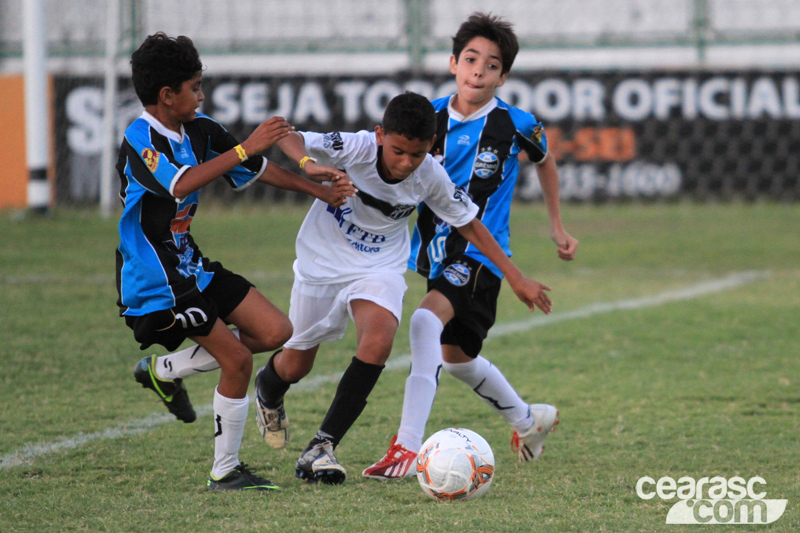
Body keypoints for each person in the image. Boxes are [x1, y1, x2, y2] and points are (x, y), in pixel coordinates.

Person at [252, 91, 552, 485]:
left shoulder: (429, 174)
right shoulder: (355, 147)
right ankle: (268, 389)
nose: (407, 163)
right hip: (321, 263)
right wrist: (309, 165)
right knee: (295, 364)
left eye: (417, 154)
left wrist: (515, 276)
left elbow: (470, 223)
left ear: (430, 147)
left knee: (378, 342)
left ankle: (321, 447)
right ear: (379, 136)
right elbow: (285, 134)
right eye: (398, 152)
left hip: (379, 266)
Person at [117, 32, 354, 492]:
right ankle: (224, 471)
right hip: (156, 276)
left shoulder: (199, 129)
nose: (201, 95)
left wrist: (319, 188)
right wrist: (246, 146)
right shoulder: (141, 136)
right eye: (195, 86)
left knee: (275, 332)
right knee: (239, 360)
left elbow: (255, 169)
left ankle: (165, 371)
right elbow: (181, 185)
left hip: (189, 263)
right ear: (167, 95)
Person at [362, 13, 579, 480]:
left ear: (504, 75)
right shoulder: (429, 119)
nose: (479, 70)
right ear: (454, 63)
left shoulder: (515, 124)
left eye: (492, 64)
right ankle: (528, 419)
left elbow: (546, 162)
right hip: (433, 254)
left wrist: (556, 227)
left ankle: (406, 446)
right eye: (471, 59)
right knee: (455, 359)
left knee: (423, 321)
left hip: (482, 255)